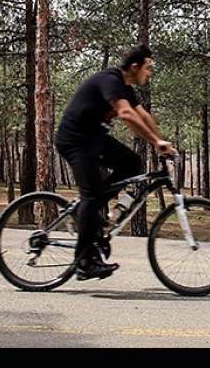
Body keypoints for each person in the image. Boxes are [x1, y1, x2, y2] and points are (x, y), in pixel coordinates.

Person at [54, 45, 173, 281]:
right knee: (90, 196)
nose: (150, 73)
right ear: (134, 67)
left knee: (132, 163)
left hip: (94, 139)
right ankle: (84, 263)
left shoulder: (127, 88)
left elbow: (144, 116)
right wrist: (155, 142)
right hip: (75, 141)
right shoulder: (110, 80)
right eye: (148, 68)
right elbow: (127, 115)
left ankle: (91, 215)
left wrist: (160, 140)